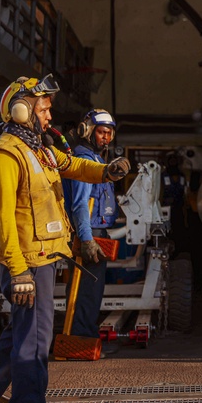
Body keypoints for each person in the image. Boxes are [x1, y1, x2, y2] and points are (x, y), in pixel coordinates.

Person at [0, 75, 129, 403]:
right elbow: (2, 216)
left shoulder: (40, 149)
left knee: (17, 339)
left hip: (42, 257)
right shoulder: (8, 153)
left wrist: (106, 172)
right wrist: (18, 269)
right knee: (34, 343)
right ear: (21, 110)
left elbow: (72, 165)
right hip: (27, 263)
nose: (48, 113)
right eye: (44, 108)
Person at [62, 108, 121, 342]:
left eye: (109, 133)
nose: (106, 137)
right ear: (87, 131)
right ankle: (81, 339)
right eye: (101, 132)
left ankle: (83, 334)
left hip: (97, 230)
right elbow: (79, 205)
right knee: (86, 291)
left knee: (91, 291)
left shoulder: (98, 160)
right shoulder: (84, 160)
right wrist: (86, 240)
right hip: (88, 233)